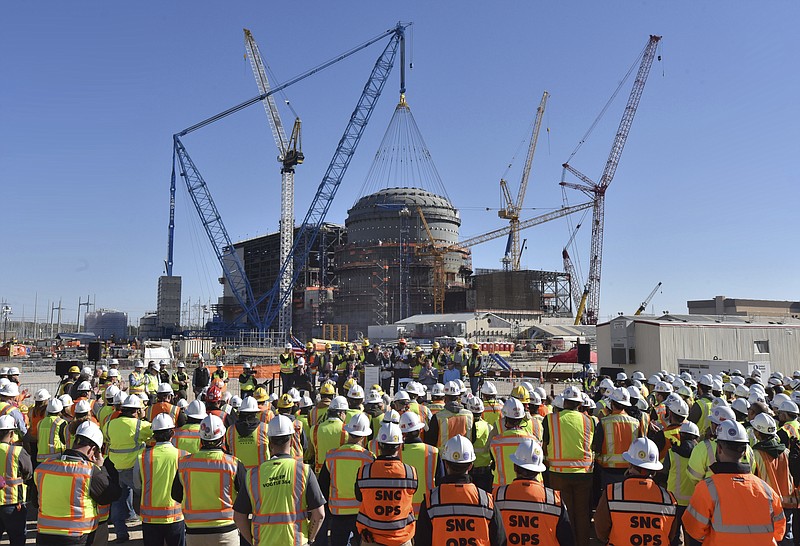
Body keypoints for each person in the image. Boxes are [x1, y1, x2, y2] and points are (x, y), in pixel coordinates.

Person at [683, 419, 786, 544]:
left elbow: (694, 530)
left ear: (719, 448)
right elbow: (779, 532)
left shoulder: (707, 488)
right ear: (744, 451)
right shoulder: (766, 489)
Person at [234, 415, 326, 546]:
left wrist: (253, 541)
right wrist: (310, 539)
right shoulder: (303, 471)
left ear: (269, 442)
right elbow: (319, 515)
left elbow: (239, 517)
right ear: (292, 440)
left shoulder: (253, 475)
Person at [35, 421, 121, 546]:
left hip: (45, 535)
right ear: (93, 449)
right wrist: (101, 468)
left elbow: (34, 500)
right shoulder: (90, 472)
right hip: (76, 536)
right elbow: (111, 495)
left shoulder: (44, 467)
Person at [415, 435, 506, 546]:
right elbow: (500, 541)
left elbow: (421, 541)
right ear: (471, 465)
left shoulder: (431, 501)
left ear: (446, 464)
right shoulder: (486, 501)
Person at [173, 414, 246, 546]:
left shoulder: (184, 464)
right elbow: (246, 497)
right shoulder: (233, 464)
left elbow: (176, 495)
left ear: (201, 438)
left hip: (194, 532)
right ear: (223, 437)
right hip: (226, 531)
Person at [595, 437, 678, 545]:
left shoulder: (612, 494)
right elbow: (671, 535)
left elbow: (601, 532)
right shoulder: (669, 499)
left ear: (630, 464)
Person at [493, 439, 574, 546]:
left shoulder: (497, 496)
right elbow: (567, 540)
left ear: (515, 467)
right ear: (538, 470)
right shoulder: (555, 500)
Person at [542, 383, 594, 546]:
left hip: (558, 473)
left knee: (565, 513)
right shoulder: (589, 420)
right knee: (582, 513)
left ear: (564, 402)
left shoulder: (550, 419)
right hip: (584, 474)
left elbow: (545, 445)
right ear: (579, 404)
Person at [355, 422, 418, 546]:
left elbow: (359, 497)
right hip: (402, 537)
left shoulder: (365, 472)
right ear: (400, 446)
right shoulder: (410, 472)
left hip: (371, 538)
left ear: (378, 445)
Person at [318, 413, 374, 546]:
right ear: (364, 435)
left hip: (338, 513)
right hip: (362, 512)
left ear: (348, 431)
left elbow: (323, 486)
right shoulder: (369, 458)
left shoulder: (332, 456)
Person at [106, 394, 153, 543]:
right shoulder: (140, 425)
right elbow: (155, 433)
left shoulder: (110, 424)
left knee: (118, 501)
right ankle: (150, 533)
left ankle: (121, 533)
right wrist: (144, 418)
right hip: (134, 470)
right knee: (146, 500)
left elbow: (107, 439)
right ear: (137, 411)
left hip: (114, 468)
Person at [134, 414, 186, 546]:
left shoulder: (142, 456)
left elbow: (137, 485)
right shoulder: (183, 456)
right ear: (172, 433)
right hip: (175, 516)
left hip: (150, 518)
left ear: (154, 435)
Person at [592, 386, 641, 489]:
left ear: (612, 403)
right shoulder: (636, 423)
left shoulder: (604, 422)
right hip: (630, 469)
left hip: (609, 469)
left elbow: (597, 447)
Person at [399, 411, 443, 516]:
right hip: (428, 508)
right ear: (420, 430)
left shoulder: (397, 453)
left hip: (403, 510)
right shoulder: (433, 452)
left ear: (402, 432)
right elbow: (441, 482)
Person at [0, 415, 32, 546]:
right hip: (13, 503)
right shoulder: (17, 451)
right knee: (17, 538)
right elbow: (28, 472)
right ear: (12, 433)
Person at [490, 397, 536, 488]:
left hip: (502, 491)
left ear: (505, 418)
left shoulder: (495, 443)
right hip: (528, 488)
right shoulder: (533, 441)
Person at [425, 381, 474, 450]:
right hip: (465, 454)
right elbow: (474, 436)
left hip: (444, 456)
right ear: (458, 397)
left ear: (445, 398)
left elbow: (431, 440)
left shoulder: (438, 417)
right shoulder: (469, 415)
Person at [224, 397, 269, 471]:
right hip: (260, 473)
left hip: (238, 473)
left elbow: (228, 451)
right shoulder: (265, 428)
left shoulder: (230, 430)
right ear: (256, 413)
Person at [310, 395, 349, 475]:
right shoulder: (346, 430)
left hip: (319, 472)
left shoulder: (314, 429)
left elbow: (311, 452)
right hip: (338, 472)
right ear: (341, 413)